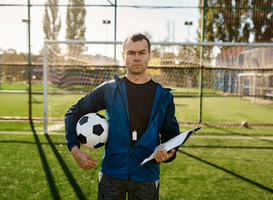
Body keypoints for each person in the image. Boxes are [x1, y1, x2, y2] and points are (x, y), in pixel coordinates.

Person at [65, 33, 180, 200]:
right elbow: (73, 112)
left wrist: (169, 153)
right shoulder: (109, 90)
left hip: (147, 177)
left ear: (149, 56)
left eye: (142, 52)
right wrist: (74, 149)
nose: (137, 57)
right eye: (131, 53)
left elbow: (171, 136)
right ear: (123, 56)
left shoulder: (164, 96)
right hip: (111, 175)